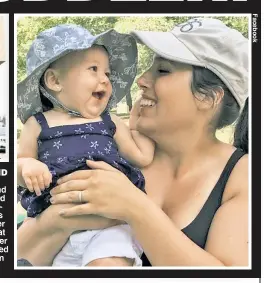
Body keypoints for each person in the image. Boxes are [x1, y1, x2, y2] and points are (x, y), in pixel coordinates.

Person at [18, 17, 249, 267]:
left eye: (162, 70)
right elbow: (15, 257)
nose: (141, 79)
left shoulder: (242, 175)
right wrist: (59, 220)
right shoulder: (111, 149)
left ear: (208, 97)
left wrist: (135, 208)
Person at [17, 24, 155, 267]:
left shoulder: (109, 121)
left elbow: (142, 156)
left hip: (110, 227)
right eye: (93, 69)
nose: (104, 79)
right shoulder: (37, 124)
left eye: (108, 73)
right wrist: (27, 165)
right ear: (54, 80)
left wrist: (139, 127)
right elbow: (19, 164)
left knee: (108, 264)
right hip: (59, 235)